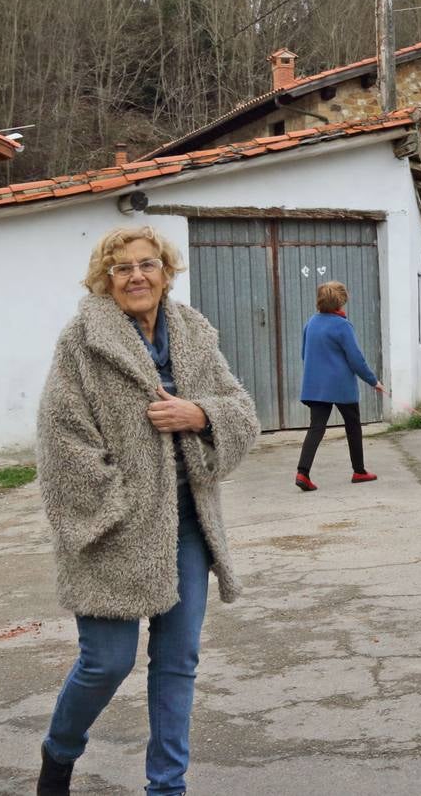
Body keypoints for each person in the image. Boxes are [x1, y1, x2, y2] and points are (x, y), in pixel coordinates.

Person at [35, 226, 260, 795]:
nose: (137, 276)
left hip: (188, 524)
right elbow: (62, 443)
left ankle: (167, 787)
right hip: (113, 528)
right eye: (122, 268)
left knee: (176, 662)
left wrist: (200, 415)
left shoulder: (193, 334)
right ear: (104, 279)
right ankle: (59, 755)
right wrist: (119, 507)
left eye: (148, 264)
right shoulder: (81, 343)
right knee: (106, 663)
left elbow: (241, 408)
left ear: (166, 271)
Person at [294, 280, 385, 492]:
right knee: (353, 426)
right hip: (341, 386)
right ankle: (359, 471)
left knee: (316, 428)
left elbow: (303, 354)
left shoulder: (311, 323)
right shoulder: (343, 326)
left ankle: (302, 472)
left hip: (316, 386)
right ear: (341, 301)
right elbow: (356, 359)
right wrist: (374, 381)